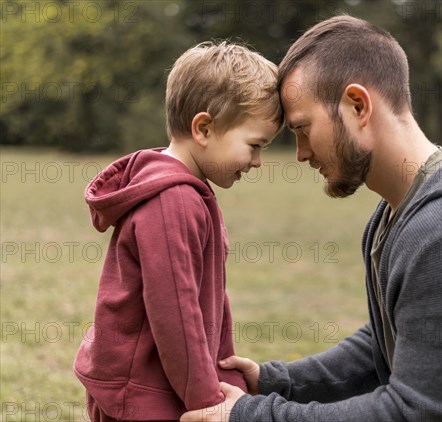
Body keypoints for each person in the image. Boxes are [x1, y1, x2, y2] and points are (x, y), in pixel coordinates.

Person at [180, 15, 442, 422]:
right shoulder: (402, 210)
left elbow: (420, 413)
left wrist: (253, 415)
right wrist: (277, 381)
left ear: (358, 105)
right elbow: (386, 342)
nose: (301, 153)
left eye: (303, 129)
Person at [73, 41, 284, 421]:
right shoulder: (174, 200)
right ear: (203, 128)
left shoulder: (186, 191)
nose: (257, 162)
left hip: (164, 385)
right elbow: (175, 312)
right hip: (142, 394)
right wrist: (206, 401)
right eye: (254, 146)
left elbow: (204, 294)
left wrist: (221, 369)